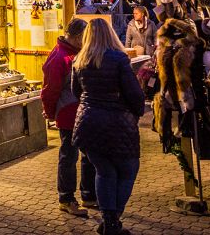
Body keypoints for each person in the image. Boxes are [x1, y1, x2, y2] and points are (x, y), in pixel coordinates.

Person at [72, 19, 145, 235]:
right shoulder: (119, 59)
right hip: (118, 123)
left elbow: (76, 92)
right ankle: (113, 219)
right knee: (128, 170)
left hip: (88, 123)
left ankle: (109, 221)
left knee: (104, 172)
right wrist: (137, 111)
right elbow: (133, 94)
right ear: (110, 34)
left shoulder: (79, 60)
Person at [41, 17, 96, 217]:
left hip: (82, 112)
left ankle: (89, 195)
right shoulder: (59, 57)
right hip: (67, 113)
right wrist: (49, 111)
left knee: (88, 155)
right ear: (76, 37)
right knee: (69, 156)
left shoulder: (77, 53)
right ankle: (66, 198)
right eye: (84, 37)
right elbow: (50, 89)